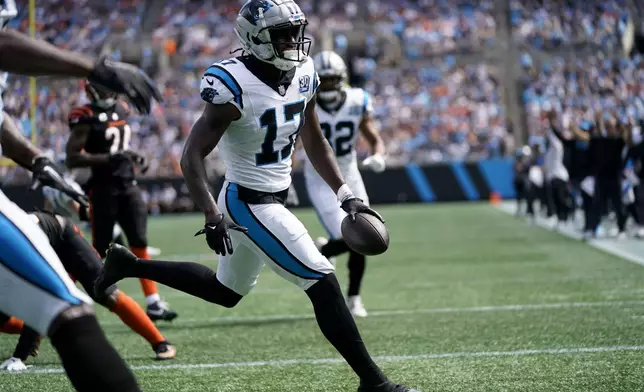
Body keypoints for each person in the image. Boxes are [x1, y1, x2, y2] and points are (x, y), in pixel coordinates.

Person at [96, 1, 418, 391]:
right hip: (247, 202)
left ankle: (129, 266)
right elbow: (191, 156)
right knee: (322, 280)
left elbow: (313, 139)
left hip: (270, 198)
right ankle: (375, 384)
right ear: (255, 38)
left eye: (295, 31)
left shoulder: (304, 71)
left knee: (225, 292)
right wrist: (211, 214)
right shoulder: (231, 84)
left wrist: (345, 194)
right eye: (281, 34)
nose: (292, 41)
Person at [0, 1, 160, 389]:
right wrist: (94, 67)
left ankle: (157, 318)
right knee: (68, 311)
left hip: (105, 198)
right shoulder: (84, 114)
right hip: (90, 203)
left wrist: (37, 160)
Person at [0, 209, 176, 371]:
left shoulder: (14, 241)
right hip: (42, 246)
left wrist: (19, 356)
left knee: (107, 294)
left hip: (65, 240)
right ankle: (39, 331)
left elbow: (39, 296)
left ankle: (161, 343)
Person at [65, 82, 177, 322]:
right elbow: (72, 158)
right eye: (103, 86)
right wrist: (109, 157)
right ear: (91, 90)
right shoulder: (85, 116)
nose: (108, 90)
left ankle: (154, 302)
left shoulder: (122, 108)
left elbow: (121, 146)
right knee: (97, 249)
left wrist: (133, 154)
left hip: (129, 185)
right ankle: (63, 292)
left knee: (140, 242)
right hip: (103, 189)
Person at [302, 50, 385, 317]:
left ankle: (354, 297)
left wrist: (378, 154)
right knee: (350, 235)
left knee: (364, 228)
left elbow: (374, 137)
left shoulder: (357, 100)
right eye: (322, 80)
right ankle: (327, 249)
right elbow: (291, 141)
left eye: (331, 79)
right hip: (319, 176)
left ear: (342, 78)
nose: (326, 85)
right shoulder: (305, 102)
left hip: (349, 172)